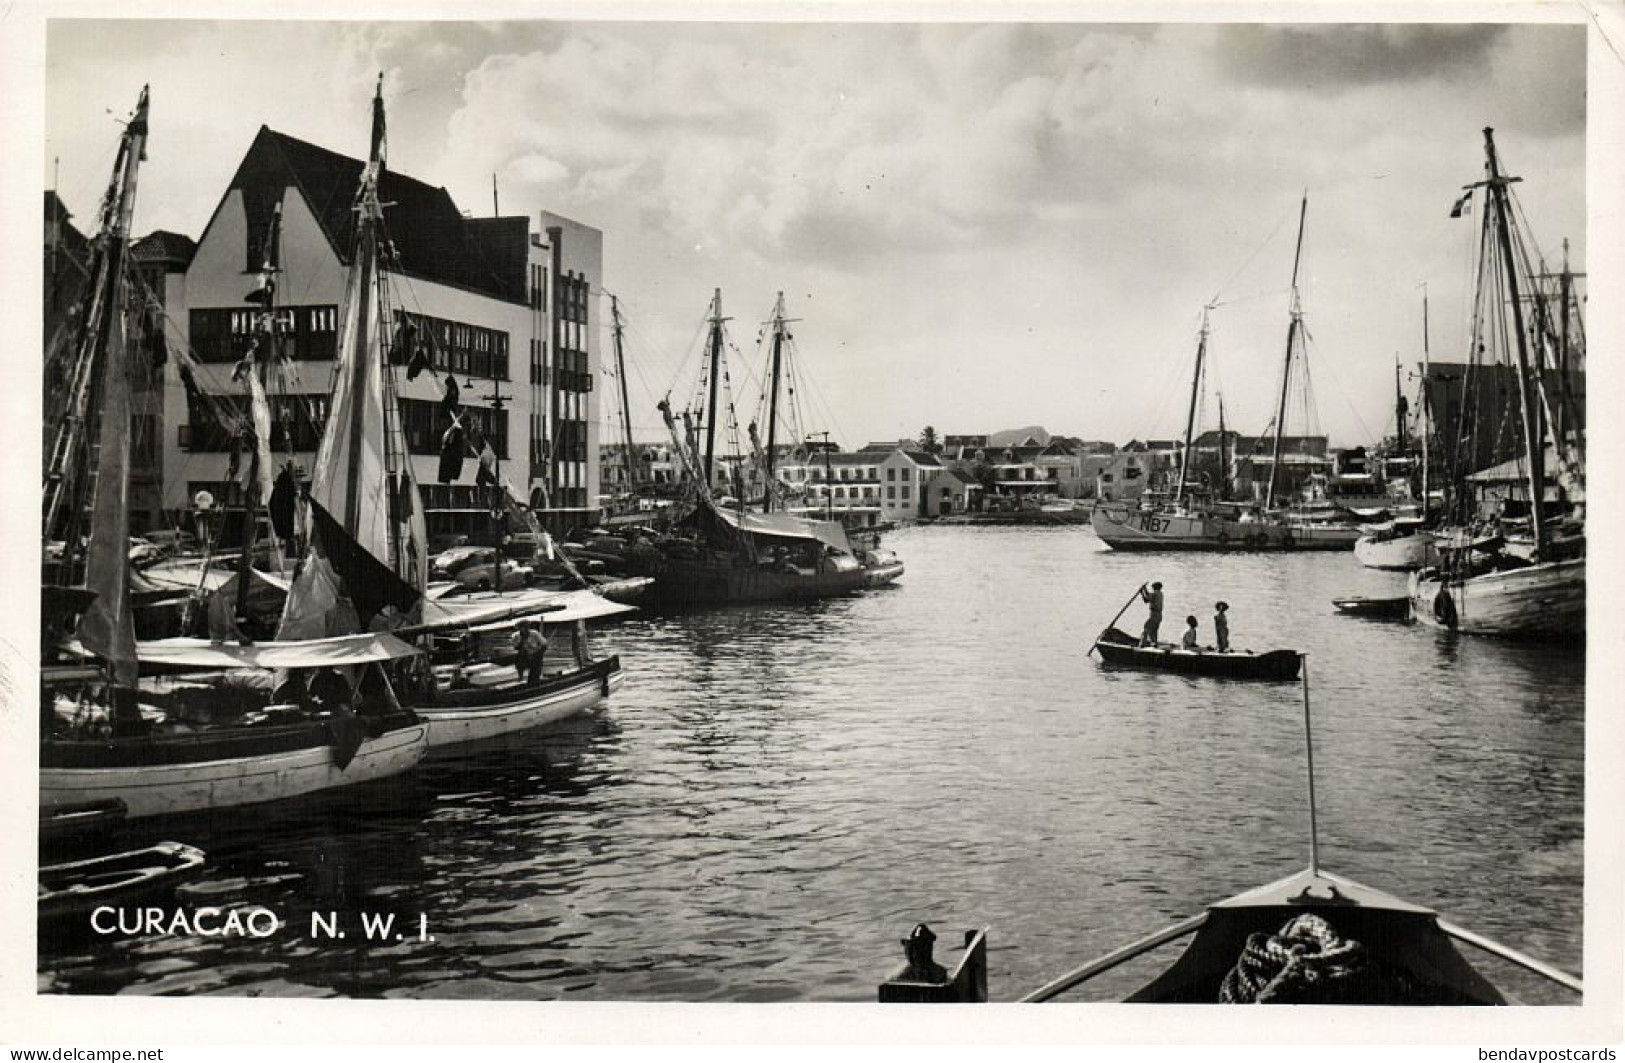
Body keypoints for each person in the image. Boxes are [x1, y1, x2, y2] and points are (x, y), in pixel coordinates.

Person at [513, 619, 548, 684]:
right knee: (518, 658)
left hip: (535, 654)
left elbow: (544, 644)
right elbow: (516, 647)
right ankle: (521, 678)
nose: (525, 629)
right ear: (519, 628)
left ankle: (534, 679)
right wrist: (522, 640)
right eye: (523, 627)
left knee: (534, 672)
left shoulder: (535, 633)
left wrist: (539, 654)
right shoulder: (516, 636)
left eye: (527, 627)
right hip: (524, 655)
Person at [1139, 581, 1164, 646]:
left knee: (1146, 627)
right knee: (1154, 631)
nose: (1152, 588)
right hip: (1159, 616)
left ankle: (1142, 645)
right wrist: (1144, 589)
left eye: (1153, 587)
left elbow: (1146, 600)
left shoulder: (1155, 593)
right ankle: (1154, 644)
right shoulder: (1160, 593)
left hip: (1154, 615)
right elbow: (1149, 595)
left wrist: (1142, 592)